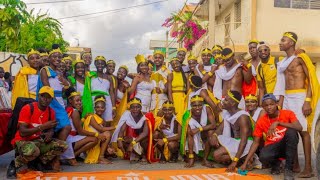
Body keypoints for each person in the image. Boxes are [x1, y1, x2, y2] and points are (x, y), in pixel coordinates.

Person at [274, 32, 319, 178]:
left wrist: (307, 100)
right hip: (287, 97)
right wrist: (280, 103)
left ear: (292, 43)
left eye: (283, 40)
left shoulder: (300, 58)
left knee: (303, 131)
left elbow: (311, 79)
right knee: (290, 130)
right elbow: (281, 84)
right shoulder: (282, 62)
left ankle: (308, 168)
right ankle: (296, 164)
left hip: (300, 96)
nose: (280, 42)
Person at [240, 94, 302, 180]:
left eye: (271, 104)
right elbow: (255, 142)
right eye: (266, 105)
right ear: (263, 107)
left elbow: (299, 127)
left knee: (292, 132)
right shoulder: (262, 121)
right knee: (263, 156)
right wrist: (245, 162)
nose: (269, 107)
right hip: (273, 147)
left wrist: (278, 123)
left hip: (287, 145)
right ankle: (276, 163)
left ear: (276, 104)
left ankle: (288, 169)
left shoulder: (287, 113)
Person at [11, 86, 68, 172]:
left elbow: (51, 128)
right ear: (39, 96)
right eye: (43, 96)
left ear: (52, 100)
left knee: (63, 145)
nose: (45, 99)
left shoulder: (51, 111)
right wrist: (42, 127)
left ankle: (38, 163)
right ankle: (14, 164)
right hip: (23, 140)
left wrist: (50, 133)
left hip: (38, 140)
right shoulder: (28, 108)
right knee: (33, 150)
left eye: (48, 97)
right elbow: (22, 132)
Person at [211, 90, 253, 172]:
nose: (223, 101)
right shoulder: (228, 113)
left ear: (233, 103)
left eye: (226, 100)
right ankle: (243, 159)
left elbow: (244, 141)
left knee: (216, 155)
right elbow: (220, 128)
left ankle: (245, 158)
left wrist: (234, 161)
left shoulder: (242, 117)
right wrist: (214, 135)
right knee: (211, 139)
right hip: (235, 141)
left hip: (245, 143)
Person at [38, 48, 71, 141]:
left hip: (60, 100)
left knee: (60, 128)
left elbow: (65, 88)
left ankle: (57, 151)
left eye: (59, 57)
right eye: (54, 56)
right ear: (49, 58)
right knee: (66, 126)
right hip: (51, 101)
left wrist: (64, 82)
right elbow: (47, 88)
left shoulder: (59, 73)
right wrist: (54, 101)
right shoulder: (45, 70)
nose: (57, 58)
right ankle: (57, 150)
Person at [111, 98, 158, 164]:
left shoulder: (146, 116)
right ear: (130, 108)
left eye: (137, 107)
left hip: (144, 139)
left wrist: (132, 143)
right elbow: (122, 130)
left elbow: (145, 133)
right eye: (133, 107)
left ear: (141, 108)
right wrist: (119, 140)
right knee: (123, 140)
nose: (135, 110)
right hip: (135, 138)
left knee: (145, 140)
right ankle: (138, 155)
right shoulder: (127, 115)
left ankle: (144, 156)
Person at [61, 88, 99, 165]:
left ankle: (72, 155)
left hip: (67, 138)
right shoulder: (75, 112)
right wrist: (96, 134)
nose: (80, 103)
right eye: (77, 101)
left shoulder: (68, 109)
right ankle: (73, 156)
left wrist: (83, 118)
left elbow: (74, 124)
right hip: (69, 139)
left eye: (80, 100)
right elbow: (80, 131)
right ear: (70, 101)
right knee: (94, 139)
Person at [181, 95, 216, 168]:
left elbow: (213, 125)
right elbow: (190, 135)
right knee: (190, 132)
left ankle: (205, 159)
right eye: (194, 106)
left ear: (203, 104)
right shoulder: (187, 114)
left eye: (200, 105)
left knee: (211, 132)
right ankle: (192, 157)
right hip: (193, 136)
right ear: (191, 106)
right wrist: (191, 158)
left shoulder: (207, 108)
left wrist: (199, 129)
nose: (197, 108)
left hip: (204, 132)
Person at [82, 56, 116, 123]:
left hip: (107, 100)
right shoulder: (90, 75)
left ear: (105, 65)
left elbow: (111, 92)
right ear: (95, 64)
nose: (100, 65)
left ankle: (106, 132)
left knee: (107, 121)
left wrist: (113, 107)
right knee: (93, 120)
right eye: (98, 63)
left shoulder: (109, 77)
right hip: (93, 100)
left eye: (102, 64)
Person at [82, 95, 115, 164]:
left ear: (105, 108)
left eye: (102, 107)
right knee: (107, 133)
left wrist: (108, 146)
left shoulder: (103, 119)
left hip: (98, 140)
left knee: (111, 150)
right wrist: (115, 127)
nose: (100, 109)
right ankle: (101, 157)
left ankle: (104, 153)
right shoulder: (92, 117)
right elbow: (101, 129)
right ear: (94, 108)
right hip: (91, 141)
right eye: (98, 107)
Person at [167, 57, 189, 124]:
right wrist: (171, 104)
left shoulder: (185, 74)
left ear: (180, 64)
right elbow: (169, 91)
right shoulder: (171, 75)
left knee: (185, 118)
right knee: (177, 118)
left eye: (176, 63)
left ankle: (184, 134)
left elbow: (188, 89)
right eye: (173, 65)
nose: (175, 65)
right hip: (175, 98)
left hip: (184, 98)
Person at [150, 50, 169, 115]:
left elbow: (169, 89)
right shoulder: (152, 73)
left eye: (160, 58)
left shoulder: (167, 72)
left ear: (163, 60)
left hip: (162, 101)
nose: (157, 59)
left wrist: (161, 90)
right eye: (156, 58)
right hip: (152, 103)